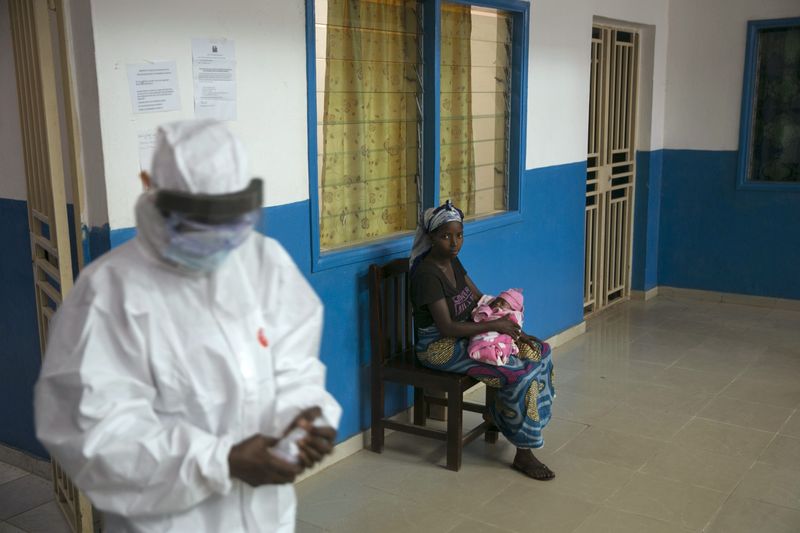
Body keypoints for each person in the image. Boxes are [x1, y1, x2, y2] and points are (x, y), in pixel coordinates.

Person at [34, 119, 342, 532]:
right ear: (148, 185)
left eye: (229, 220)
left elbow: (294, 366)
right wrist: (221, 461)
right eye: (198, 222)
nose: (217, 238)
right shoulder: (107, 295)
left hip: (266, 518)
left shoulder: (264, 264)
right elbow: (94, 435)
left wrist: (306, 418)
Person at [409, 201, 555, 480]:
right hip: (439, 347)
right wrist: (495, 325)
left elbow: (478, 298)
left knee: (538, 352)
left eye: (459, 235)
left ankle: (503, 417)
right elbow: (447, 327)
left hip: (470, 333)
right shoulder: (427, 275)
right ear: (431, 237)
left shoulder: (451, 260)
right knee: (518, 374)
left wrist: (513, 329)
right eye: (446, 236)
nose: (454, 243)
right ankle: (524, 451)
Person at [468, 289, 539, 366]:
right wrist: (487, 311)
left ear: (512, 308)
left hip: (499, 335)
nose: (498, 303)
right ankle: (484, 350)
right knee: (481, 341)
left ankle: (498, 352)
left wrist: (519, 334)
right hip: (484, 331)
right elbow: (478, 316)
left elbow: (514, 327)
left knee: (505, 341)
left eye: (502, 303)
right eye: (497, 300)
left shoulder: (512, 314)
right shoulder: (490, 308)